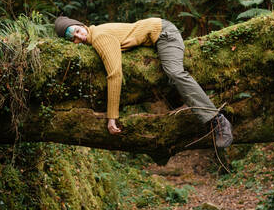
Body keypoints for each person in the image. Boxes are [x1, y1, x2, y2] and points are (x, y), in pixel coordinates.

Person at [54, 16, 233, 148]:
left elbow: (115, 74)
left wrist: (112, 117)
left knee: (175, 72)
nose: (81, 38)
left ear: (81, 25)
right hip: (158, 36)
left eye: (78, 31)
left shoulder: (99, 37)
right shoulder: (97, 32)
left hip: (164, 33)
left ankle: (217, 120)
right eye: (74, 38)